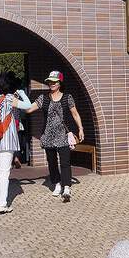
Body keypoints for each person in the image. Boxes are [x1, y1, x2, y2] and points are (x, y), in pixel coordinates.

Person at [25, 70, 84, 203]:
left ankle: (67, 187)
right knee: (52, 162)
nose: (51, 84)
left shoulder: (67, 97)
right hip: (48, 136)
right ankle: (57, 184)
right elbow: (29, 109)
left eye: (54, 82)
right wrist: (18, 100)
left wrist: (80, 128)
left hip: (63, 136)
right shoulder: (43, 98)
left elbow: (75, 114)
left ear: (60, 83)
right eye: (49, 82)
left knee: (65, 162)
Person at [0, 73, 30, 214]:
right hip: (6, 140)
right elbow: (27, 106)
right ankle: (2, 205)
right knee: (4, 172)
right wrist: (21, 93)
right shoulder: (8, 98)